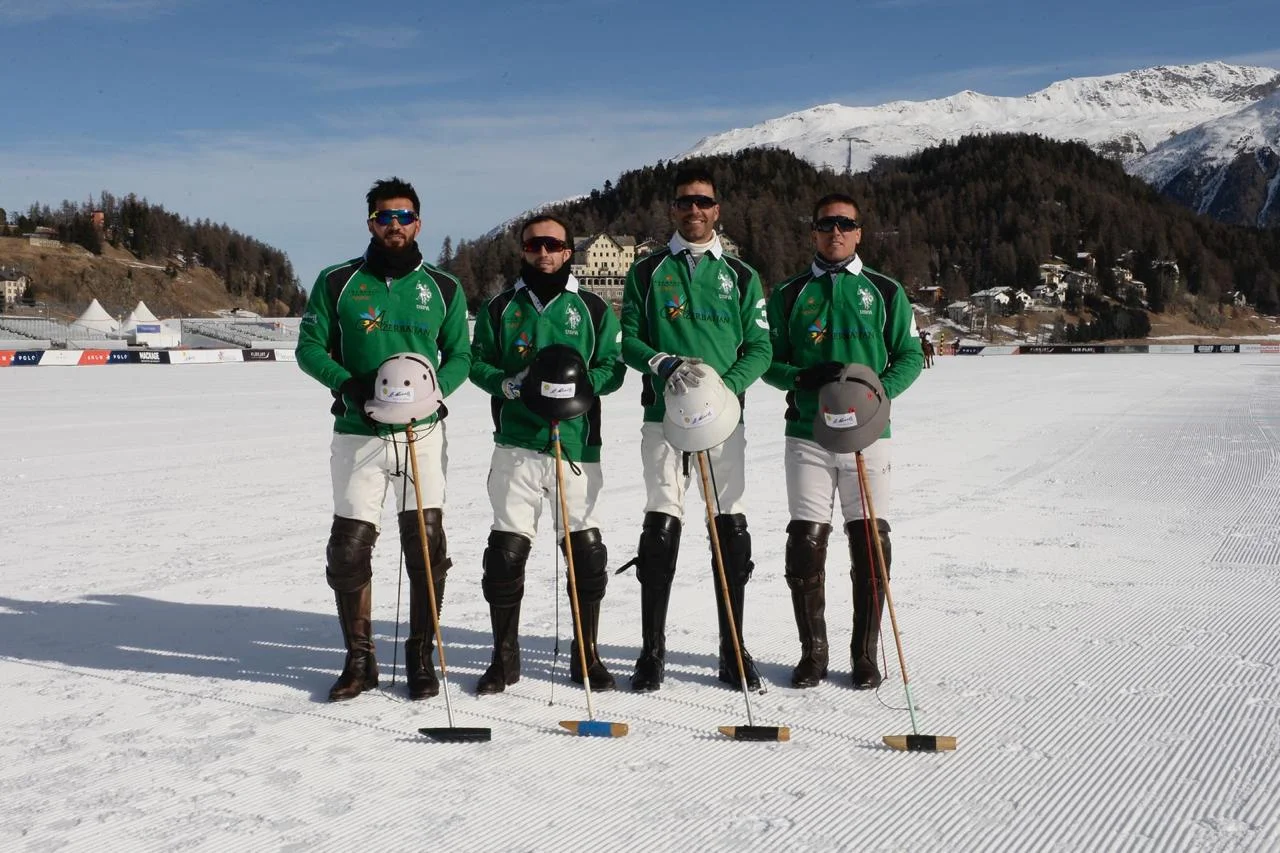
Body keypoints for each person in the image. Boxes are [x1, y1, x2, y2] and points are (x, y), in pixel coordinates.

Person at [297, 177, 471, 702]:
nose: (393, 225)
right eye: (383, 216)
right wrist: (346, 385)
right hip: (359, 432)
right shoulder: (337, 281)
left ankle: (420, 656)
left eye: (403, 216)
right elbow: (309, 348)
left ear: (419, 222)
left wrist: (439, 395)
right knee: (348, 551)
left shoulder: (443, 287)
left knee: (427, 548)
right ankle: (360, 659)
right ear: (369, 222)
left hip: (422, 433)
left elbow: (459, 353)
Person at [619, 165, 772, 692]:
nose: (694, 211)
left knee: (728, 525)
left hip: (724, 421)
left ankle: (734, 649)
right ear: (672, 210)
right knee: (661, 521)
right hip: (663, 418)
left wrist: (722, 389)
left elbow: (760, 347)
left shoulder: (742, 277)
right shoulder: (646, 273)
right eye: (685, 203)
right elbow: (629, 341)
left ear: (717, 210)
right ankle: (651, 652)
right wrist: (662, 364)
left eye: (703, 203)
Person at [762, 192, 923, 689]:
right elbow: (767, 360)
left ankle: (864, 653)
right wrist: (801, 378)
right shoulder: (788, 293)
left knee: (870, 539)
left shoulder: (886, 291)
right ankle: (813, 652)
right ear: (813, 232)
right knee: (805, 540)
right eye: (826, 224)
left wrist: (877, 396)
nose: (836, 232)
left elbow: (910, 356)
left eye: (845, 224)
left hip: (869, 434)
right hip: (808, 432)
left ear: (859, 233)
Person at [469, 214, 627, 695]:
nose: (544, 252)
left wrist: (581, 387)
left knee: (584, 549)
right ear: (523, 250)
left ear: (567, 251)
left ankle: (588, 653)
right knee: (505, 550)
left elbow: (613, 368)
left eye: (553, 244)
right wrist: (507, 384)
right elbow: (478, 365)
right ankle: (504, 657)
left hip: (577, 444)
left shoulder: (594, 308)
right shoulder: (500, 308)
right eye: (534, 244)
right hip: (516, 442)